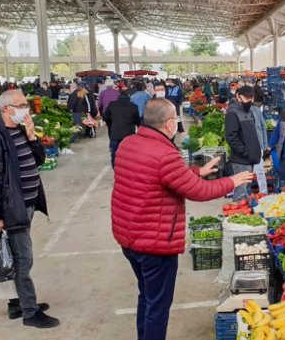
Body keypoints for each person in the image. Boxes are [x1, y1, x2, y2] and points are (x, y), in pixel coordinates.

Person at [111, 98, 254, 340]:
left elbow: (157, 175)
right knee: (158, 307)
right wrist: (231, 182)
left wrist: (197, 171)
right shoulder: (165, 153)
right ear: (169, 124)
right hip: (154, 243)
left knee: (146, 296)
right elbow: (198, 191)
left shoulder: (129, 143)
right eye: (176, 120)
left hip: (129, 237)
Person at [0, 91, 58, 328]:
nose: (27, 109)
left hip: (27, 205)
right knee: (23, 259)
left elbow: (38, 161)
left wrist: (32, 137)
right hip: (13, 208)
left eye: (26, 104)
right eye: (21, 105)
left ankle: (16, 303)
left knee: (15, 256)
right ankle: (30, 311)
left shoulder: (20, 131)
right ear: (5, 109)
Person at [225, 86, 262, 201]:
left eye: (251, 97)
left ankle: (241, 214)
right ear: (238, 97)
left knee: (245, 191)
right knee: (240, 193)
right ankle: (236, 217)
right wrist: (246, 152)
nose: (249, 100)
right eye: (247, 98)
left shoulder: (249, 111)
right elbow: (231, 138)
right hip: (241, 160)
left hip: (249, 159)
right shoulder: (233, 113)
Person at [103, 92, 140, 167]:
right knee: (129, 153)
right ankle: (128, 168)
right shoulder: (134, 106)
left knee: (115, 153)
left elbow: (105, 117)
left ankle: (115, 168)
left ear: (118, 97)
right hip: (129, 133)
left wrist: (112, 122)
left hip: (115, 133)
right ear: (129, 97)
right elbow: (137, 121)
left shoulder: (112, 104)